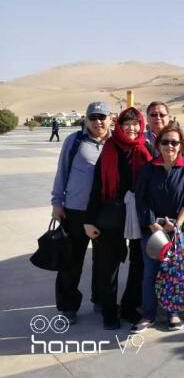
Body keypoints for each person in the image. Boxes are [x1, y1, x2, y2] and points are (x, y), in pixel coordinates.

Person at [84, 107, 152, 329]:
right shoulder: (109, 149)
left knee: (138, 262)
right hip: (110, 215)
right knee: (108, 264)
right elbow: (96, 186)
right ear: (120, 126)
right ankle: (109, 310)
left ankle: (129, 306)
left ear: (141, 125)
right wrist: (89, 219)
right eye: (127, 124)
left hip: (139, 215)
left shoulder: (146, 149)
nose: (132, 128)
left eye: (135, 124)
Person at [133, 122, 184, 333]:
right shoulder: (148, 169)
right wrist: (155, 225)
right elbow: (141, 200)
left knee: (175, 273)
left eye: (174, 142)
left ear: (181, 145)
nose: (169, 146)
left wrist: (177, 225)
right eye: (165, 142)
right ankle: (148, 314)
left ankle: (173, 313)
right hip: (154, 231)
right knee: (151, 272)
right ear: (158, 144)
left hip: (181, 229)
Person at [50, 101, 111, 324]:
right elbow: (62, 172)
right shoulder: (74, 141)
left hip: (104, 213)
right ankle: (68, 306)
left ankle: (101, 299)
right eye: (93, 117)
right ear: (86, 119)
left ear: (110, 118)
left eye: (102, 117)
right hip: (75, 211)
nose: (98, 122)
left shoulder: (115, 143)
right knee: (71, 261)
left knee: (103, 260)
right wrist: (57, 202)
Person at [144, 101, 184, 182]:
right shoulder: (141, 140)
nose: (158, 118)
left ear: (168, 118)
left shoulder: (181, 139)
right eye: (153, 115)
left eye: (162, 115)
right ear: (147, 118)